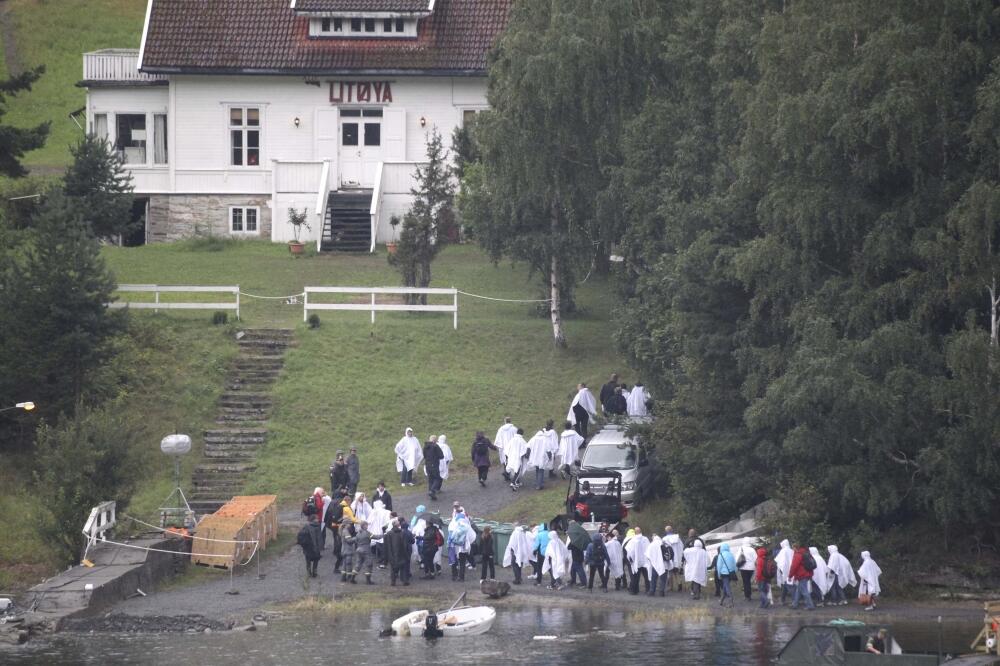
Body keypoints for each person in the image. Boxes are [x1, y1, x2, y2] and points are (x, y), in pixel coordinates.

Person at [526, 421, 558, 490]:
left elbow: (528, 447)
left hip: (535, 457)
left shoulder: (533, 438)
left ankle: (538, 482)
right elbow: (548, 449)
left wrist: (527, 456)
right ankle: (539, 485)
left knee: (537, 469)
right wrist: (549, 457)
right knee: (541, 470)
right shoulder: (545, 439)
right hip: (542, 457)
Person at [448, 509, 473, 581]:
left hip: (453, 547)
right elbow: (471, 536)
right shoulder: (466, 525)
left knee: (454, 561)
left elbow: (450, 536)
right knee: (462, 562)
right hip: (463, 547)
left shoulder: (452, 524)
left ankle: (454, 576)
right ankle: (461, 577)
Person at [624, 527, 650, 595]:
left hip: (636, 562)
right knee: (646, 577)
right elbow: (649, 549)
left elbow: (630, 551)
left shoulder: (632, 540)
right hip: (645, 561)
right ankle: (648, 590)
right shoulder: (646, 539)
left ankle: (634, 590)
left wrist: (631, 560)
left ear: (635, 532)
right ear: (641, 531)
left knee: (635, 577)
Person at [789, 543, 815, 610]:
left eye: (793, 548)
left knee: (804, 591)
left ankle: (810, 605)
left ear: (795, 548)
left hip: (802, 575)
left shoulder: (798, 555)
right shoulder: (805, 552)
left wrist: (790, 576)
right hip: (807, 573)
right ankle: (794, 604)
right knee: (799, 590)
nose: (792, 549)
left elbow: (794, 566)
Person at [296, 514, 323, 578]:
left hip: (308, 547)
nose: (318, 519)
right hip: (316, 547)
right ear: (314, 519)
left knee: (308, 561)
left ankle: (309, 573)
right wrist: (320, 546)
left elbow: (300, 535)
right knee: (316, 561)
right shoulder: (318, 526)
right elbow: (320, 538)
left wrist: (303, 544)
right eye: (317, 518)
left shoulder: (306, 526)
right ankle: (314, 573)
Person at [384, 519, 409, 586]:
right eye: (398, 522)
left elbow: (388, 545)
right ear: (396, 524)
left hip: (393, 553)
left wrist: (388, 555)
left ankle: (393, 581)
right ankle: (404, 581)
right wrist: (406, 553)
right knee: (403, 567)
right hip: (401, 552)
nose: (399, 522)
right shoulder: (402, 532)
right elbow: (404, 544)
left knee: (393, 568)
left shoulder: (389, 533)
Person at [369, 499, 391, 569]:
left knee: (380, 546)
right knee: (383, 546)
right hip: (383, 531)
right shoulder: (387, 512)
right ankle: (383, 558)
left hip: (377, 532)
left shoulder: (373, 512)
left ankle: (383, 559)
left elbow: (369, 521)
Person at [662, 526, 685, 593]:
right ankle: (679, 585)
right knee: (676, 572)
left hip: (669, 558)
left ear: (666, 531)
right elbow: (682, 547)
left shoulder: (664, 539)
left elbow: (663, 549)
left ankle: (670, 587)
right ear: (672, 530)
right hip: (677, 558)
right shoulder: (678, 539)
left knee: (670, 573)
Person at [735, 537, 758, 602]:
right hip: (751, 568)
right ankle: (749, 595)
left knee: (745, 582)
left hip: (743, 568)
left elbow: (736, 558)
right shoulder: (752, 549)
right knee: (748, 581)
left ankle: (747, 596)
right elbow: (756, 559)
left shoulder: (741, 549)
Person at [716, 543, 738, 608]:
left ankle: (731, 602)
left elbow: (719, 566)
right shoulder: (731, 554)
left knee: (727, 587)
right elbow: (734, 564)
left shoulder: (721, 555)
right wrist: (735, 571)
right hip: (731, 573)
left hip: (724, 573)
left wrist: (718, 574)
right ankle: (721, 601)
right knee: (725, 587)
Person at [423, 435, 444, 500]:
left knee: (430, 479)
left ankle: (431, 493)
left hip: (427, 465)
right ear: (435, 440)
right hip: (434, 465)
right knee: (437, 478)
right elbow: (441, 456)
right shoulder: (435, 446)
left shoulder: (425, 446)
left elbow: (424, 455)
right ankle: (432, 491)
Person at [352, 520, 374, 584]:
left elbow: (355, 540)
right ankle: (368, 580)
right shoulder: (367, 533)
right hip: (366, 550)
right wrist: (383, 535)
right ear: (364, 526)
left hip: (359, 549)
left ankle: (352, 578)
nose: (367, 526)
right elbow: (375, 537)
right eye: (366, 525)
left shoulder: (358, 533)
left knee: (358, 564)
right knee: (369, 564)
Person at [775, 538, 794, 605]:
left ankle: (793, 600)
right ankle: (782, 599)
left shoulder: (783, 551)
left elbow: (780, 562)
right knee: (786, 586)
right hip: (790, 571)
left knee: (787, 586)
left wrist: (781, 571)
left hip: (784, 571)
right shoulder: (791, 551)